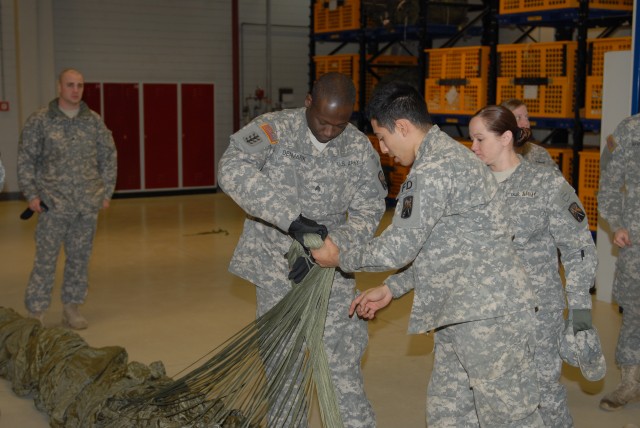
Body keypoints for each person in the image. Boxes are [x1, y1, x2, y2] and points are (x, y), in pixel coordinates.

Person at [312, 82, 543, 427]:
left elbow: (396, 247)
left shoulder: (434, 170)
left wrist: (339, 255)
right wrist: (393, 287)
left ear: (402, 126)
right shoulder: (446, 158)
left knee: (510, 419)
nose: (384, 148)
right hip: (460, 313)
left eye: (383, 137)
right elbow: (445, 247)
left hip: (490, 318)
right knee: (447, 415)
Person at [217, 72, 387, 427]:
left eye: (338, 125)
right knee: (283, 369)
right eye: (323, 122)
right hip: (274, 271)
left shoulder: (358, 147)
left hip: (331, 274)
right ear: (309, 102)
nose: (328, 131)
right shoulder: (272, 130)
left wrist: (328, 248)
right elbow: (231, 168)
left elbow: (369, 209)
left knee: (341, 370)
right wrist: (291, 220)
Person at [469, 105, 598, 426]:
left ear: (506, 138)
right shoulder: (471, 186)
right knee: (487, 394)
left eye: (480, 139)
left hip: (538, 316)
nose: (473, 147)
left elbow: (579, 248)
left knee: (543, 393)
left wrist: (579, 318)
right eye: (471, 139)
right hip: (485, 315)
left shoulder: (546, 184)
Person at [17, 68, 117, 330]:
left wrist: (105, 193)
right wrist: (31, 194)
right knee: (46, 260)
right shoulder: (40, 120)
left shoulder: (93, 121)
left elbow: (109, 156)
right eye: (70, 85)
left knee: (79, 259)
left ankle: (71, 308)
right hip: (52, 205)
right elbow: (26, 158)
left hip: (86, 205)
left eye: (80, 85)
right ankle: (37, 311)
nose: (76, 90)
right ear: (59, 87)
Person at [598, 113, 640, 411]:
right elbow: (609, 183)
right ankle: (631, 381)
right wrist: (616, 223)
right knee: (635, 312)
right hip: (637, 243)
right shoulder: (631, 129)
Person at [501, 98, 557, 168]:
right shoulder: (493, 154)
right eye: (518, 118)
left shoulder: (539, 153)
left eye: (527, 117)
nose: (526, 123)